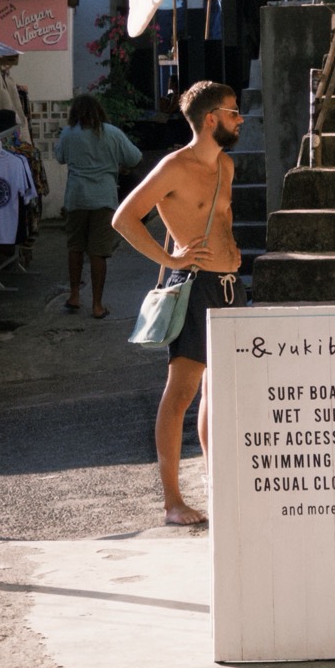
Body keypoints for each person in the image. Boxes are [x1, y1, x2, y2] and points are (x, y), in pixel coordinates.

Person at [112, 80, 246, 525]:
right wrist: (170, 258)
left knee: (220, 389)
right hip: (195, 284)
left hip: (229, 283)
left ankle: (215, 483)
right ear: (211, 119)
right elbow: (124, 218)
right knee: (182, 391)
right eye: (232, 112)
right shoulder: (174, 166)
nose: (239, 118)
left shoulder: (225, 166)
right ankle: (172, 501)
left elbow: (211, 217)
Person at [54, 94, 142, 319]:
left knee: (75, 248)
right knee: (98, 253)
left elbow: (60, 157)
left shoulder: (68, 134)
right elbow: (135, 157)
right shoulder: (111, 133)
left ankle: (74, 296)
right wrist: (114, 163)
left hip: (76, 198)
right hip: (103, 198)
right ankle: (97, 305)